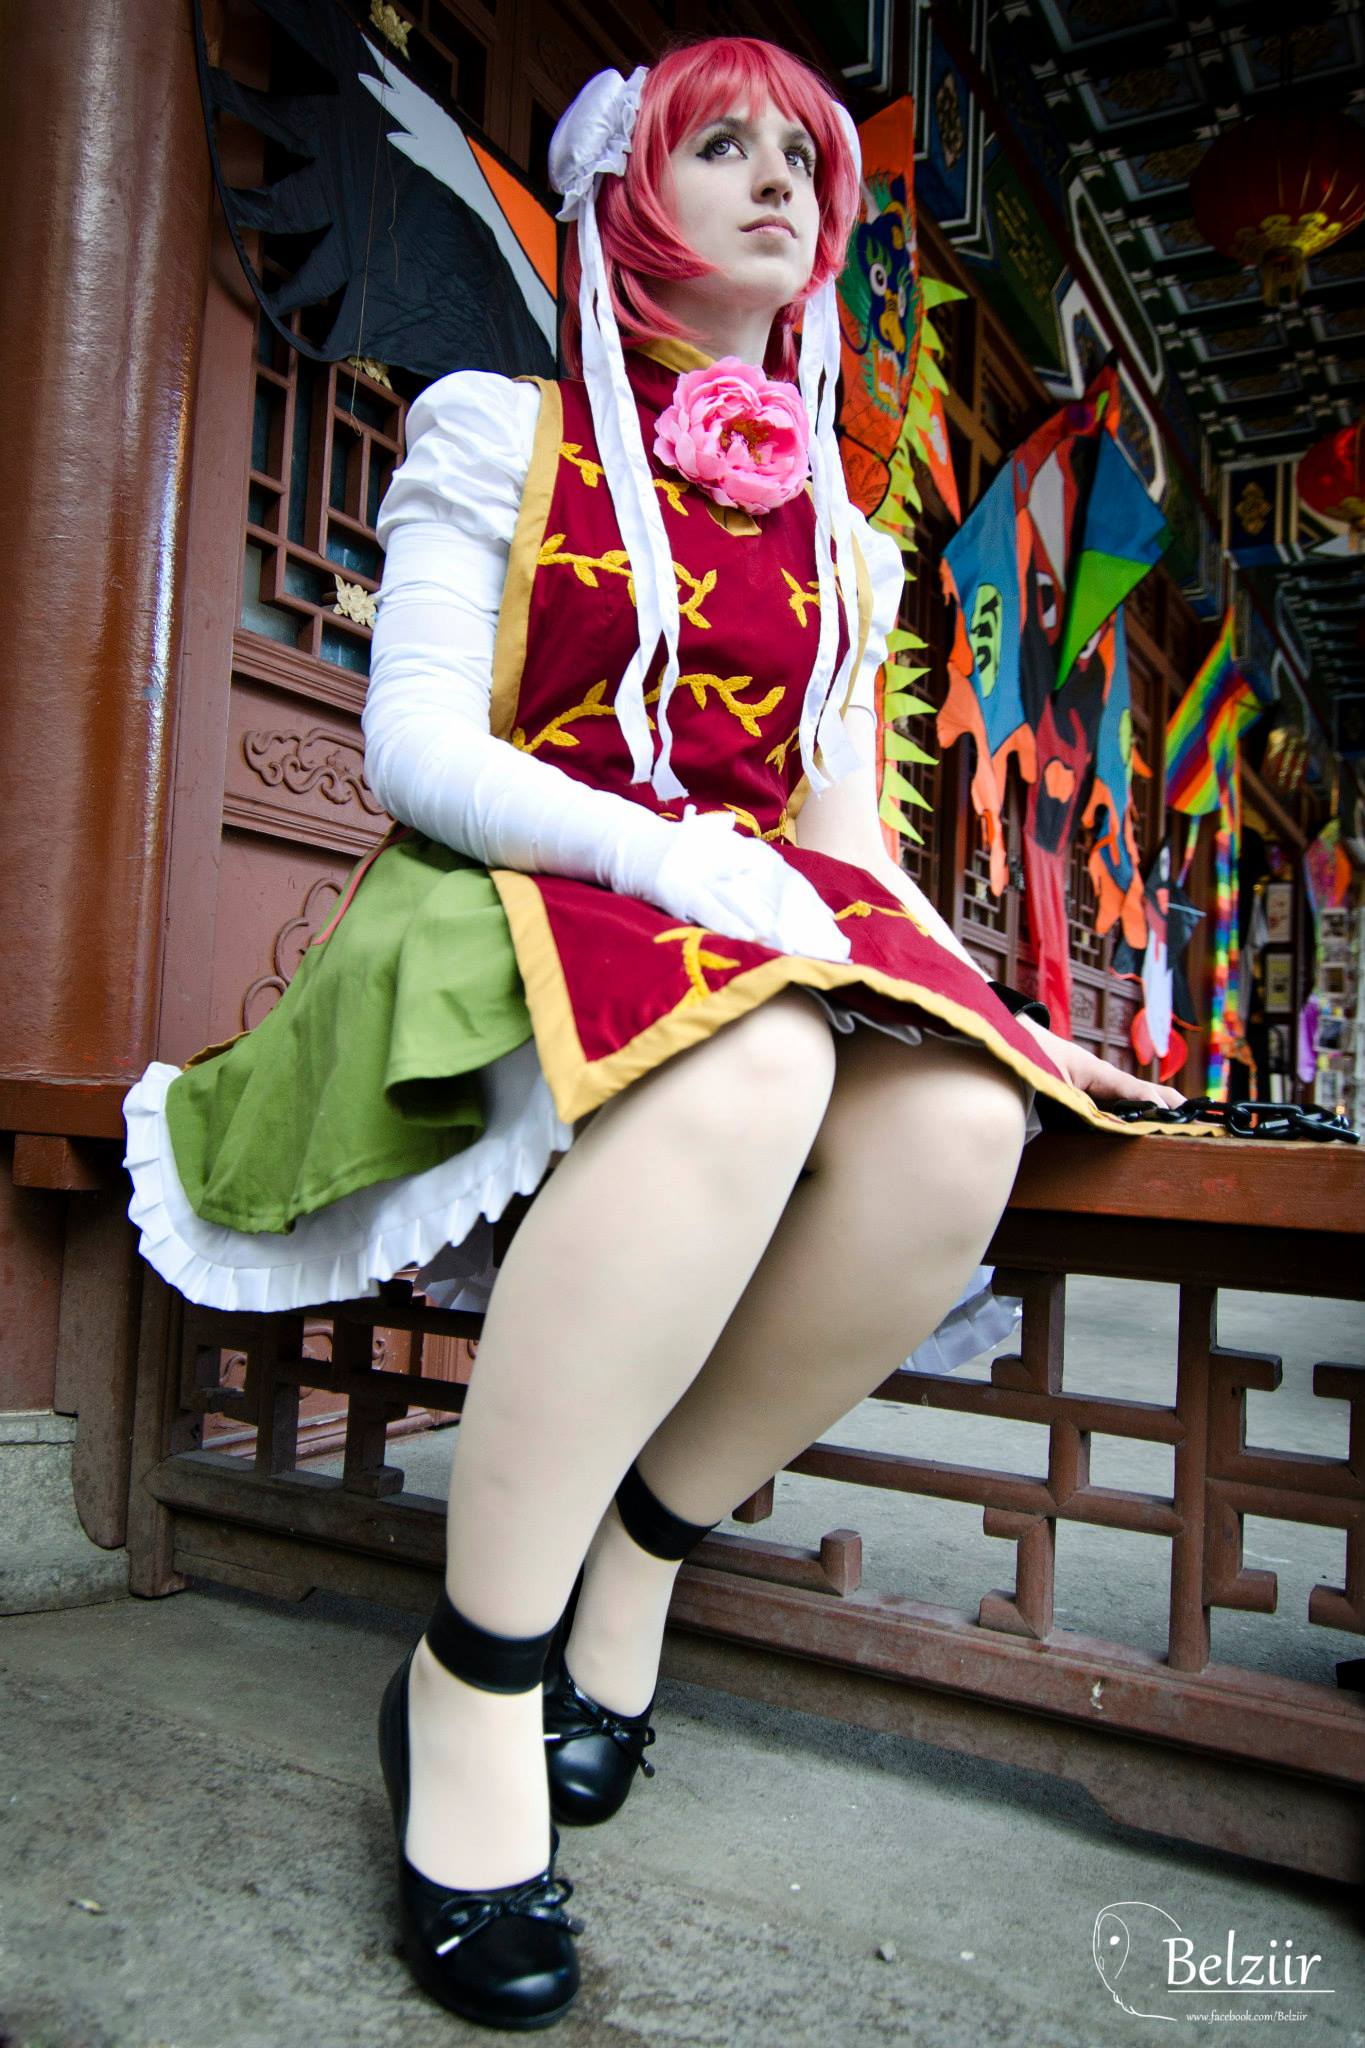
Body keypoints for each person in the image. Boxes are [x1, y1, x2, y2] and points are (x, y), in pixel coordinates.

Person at [122, 34, 1183, 2032]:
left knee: (956, 1126)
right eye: (722, 145)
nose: (781, 182)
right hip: (505, 899)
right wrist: (674, 864)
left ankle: (639, 1554)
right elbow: (414, 751)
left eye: (804, 159)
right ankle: (472, 1679)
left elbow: (845, 847)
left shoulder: (848, 541)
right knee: (756, 1062)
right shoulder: (499, 429)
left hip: (747, 932)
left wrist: (1006, 1021)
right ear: (627, 192)